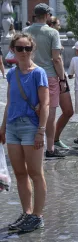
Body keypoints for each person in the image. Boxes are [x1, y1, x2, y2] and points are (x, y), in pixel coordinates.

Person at [0, 33, 49, 232]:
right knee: (20, 173)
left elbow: (44, 104)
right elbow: (9, 102)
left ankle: (37, 216)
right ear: (12, 49)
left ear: (32, 50)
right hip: (13, 127)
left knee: (35, 173)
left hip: (31, 127)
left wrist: (41, 131)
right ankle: (27, 212)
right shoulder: (12, 73)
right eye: (19, 48)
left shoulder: (39, 73)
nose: (23, 52)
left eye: (27, 48)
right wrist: (3, 127)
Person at [23, 3, 66, 159]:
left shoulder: (26, 31)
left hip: (30, 74)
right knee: (50, 113)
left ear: (35, 15)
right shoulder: (52, 32)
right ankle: (50, 149)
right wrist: (62, 79)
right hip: (49, 76)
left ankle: (29, 146)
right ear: (47, 15)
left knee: (32, 111)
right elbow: (56, 58)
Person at [47, 16, 73, 150]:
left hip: (61, 77)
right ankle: (47, 144)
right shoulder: (50, 35)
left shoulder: (55, 37)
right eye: (58, 24)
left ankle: (55, 139)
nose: (60, 26)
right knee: (48, 113)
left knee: (68, 111)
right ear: (52, 24)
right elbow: (55, 59)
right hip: (53, 78)